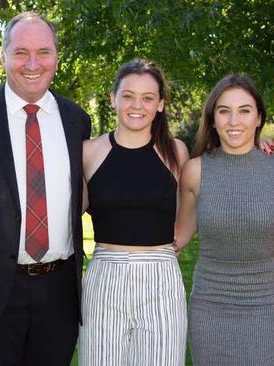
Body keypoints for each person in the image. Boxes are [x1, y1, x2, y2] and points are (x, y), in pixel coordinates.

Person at [0, 12, 90, 365]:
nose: (32, 63)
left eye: (43, 52)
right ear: (2, 57)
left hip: (59, 290)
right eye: (20, 52)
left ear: (57, 58)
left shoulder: (76, 119)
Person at [175, 74, 274, 365]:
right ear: (213, 118)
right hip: (209, 304)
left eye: (244, 110)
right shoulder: (195, 171)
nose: (234, 121)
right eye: (224, 111)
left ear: (258, 118)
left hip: (264, 305)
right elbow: (178, 236)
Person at [78, 59, 189, 365]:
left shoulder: (175, 152)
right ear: (113, 98)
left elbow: (192, 205)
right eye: (128, 95)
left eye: (148, 97)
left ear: (161, 104)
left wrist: (174, 245)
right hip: (105, 277)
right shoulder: (89, 152)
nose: (136, 105)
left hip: (161, 277)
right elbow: (69, 212)